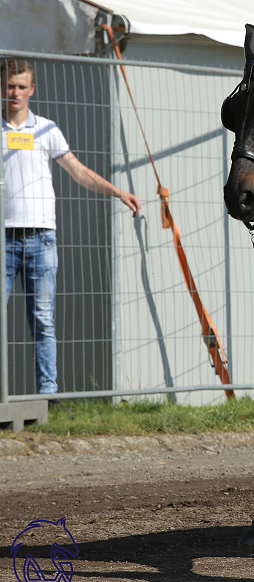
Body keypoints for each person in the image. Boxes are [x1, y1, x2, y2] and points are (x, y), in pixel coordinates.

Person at [2, 59, 141, 400]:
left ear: (32, 90)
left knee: (43, 322)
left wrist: (118, 192)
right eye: (10, 86)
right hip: (3, 238)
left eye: (22, 86)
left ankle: (47, 398)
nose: (15, 92)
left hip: (41, 239)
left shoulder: (47, 130)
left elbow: (79, 172)